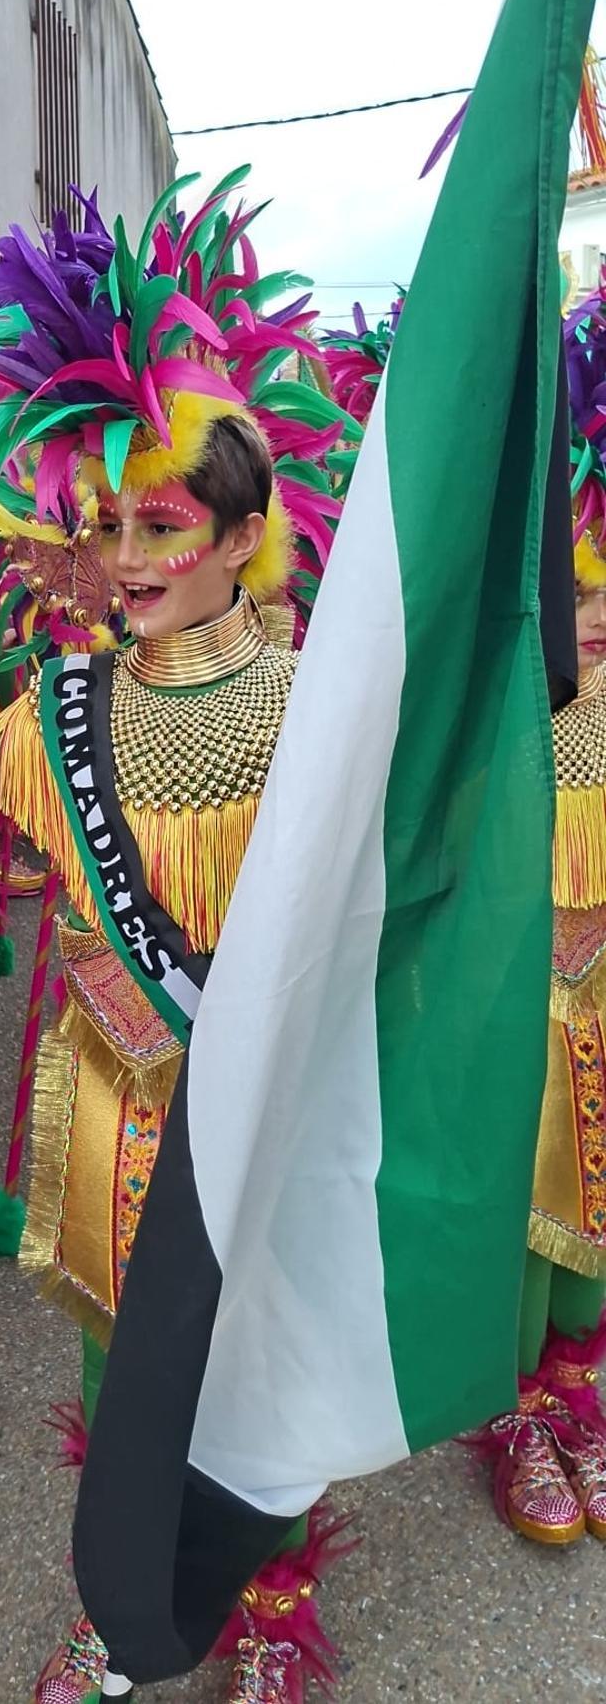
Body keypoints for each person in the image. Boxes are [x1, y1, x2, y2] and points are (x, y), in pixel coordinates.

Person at [0, 177, 354, 1704]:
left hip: (256, 1105)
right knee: (113, 1358)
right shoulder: (65, 701)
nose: (125, 554)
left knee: (258, 1360)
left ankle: (269, 1604)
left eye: (165, 522)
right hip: (105, 1097)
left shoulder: (318, 706)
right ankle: (123, 1604)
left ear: (244, 532)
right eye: (110, 520)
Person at [473, 289, 606, 1544]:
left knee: (599, 1209)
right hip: (525, 995)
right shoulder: (517, 682)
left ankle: (577, 1392)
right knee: (532, 1193)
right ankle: (512, 1411)